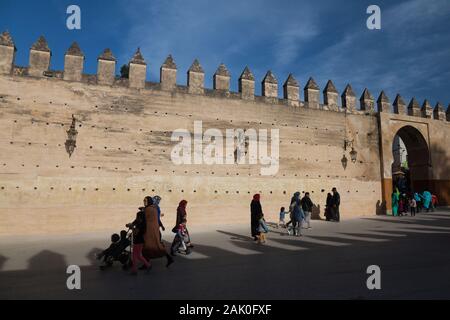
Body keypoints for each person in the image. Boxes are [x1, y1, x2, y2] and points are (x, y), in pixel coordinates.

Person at [142, 196, 174, 268]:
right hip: (155, 230)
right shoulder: (155, 208)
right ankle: (169, 258)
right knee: (156, 246)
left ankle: (146, 264)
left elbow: (144, 220)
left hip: (149, 231)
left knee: (147, 246)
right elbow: (157, 219)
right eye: (143, 201)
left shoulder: (147, 209)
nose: (144, 202)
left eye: (145, 201)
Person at [128, 205, 151, 275]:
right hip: (139, 241)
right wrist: (131, 225)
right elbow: (134, 224)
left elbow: (136, 232)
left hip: (138, 241)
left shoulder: (141, 225)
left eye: (138, 217)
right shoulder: (141, 223)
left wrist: (132, 227)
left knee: (135, 255)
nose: (137, 218)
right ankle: (148, 265)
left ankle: (134, 270)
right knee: (138, 256)